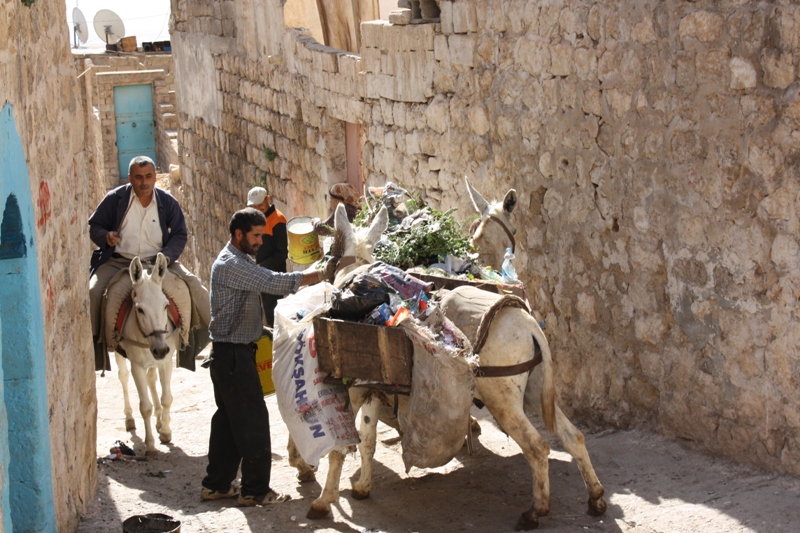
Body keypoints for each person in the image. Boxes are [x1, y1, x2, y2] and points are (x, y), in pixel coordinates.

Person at [200, 207, 336, 506]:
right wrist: (319, 274)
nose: (261, 241)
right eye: (257, 235)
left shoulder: (238, 260)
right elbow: (273, 282)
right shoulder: (231, 264)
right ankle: (255, 490)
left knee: (227, 423)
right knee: (253, 423)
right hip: (233, 356)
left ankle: (217, 485)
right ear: (239, 235)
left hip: (230, 354)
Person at [88, 155, 210, 370]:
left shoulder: (166, 201)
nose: (143, 182)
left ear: (155, 177)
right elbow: (94, 226)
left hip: (159, 263)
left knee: (195, 287)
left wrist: (167, 256)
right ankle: (95, 350)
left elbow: (180, 234)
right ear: (130, 178)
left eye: (148, 177)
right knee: (94, 292)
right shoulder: (115, 199)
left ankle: (210, 339)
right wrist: (106, 236)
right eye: (138, 177)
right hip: (120, 262)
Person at [246, 186, 288, 328]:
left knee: (273, 312)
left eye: (260, 204)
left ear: (268, 199)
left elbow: (282, 254)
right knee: (265, 312)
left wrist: (261, 267)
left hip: (275, 274)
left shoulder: (278, 220)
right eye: (254, 206)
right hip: (262, 272)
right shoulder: (257, 219)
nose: (258, 208)